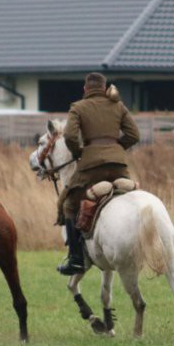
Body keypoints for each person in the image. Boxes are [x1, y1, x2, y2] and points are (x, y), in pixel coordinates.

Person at [58, 72, 140, 275]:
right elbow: (134, 135)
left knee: (69, 204)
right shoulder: (118, 106)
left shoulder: (78, 107)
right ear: (104, 89)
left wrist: (79, 153)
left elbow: (69, 136)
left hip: (91, 166)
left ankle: (76, 260)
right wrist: (116, 147)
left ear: (85, 89)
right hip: (118, 165)